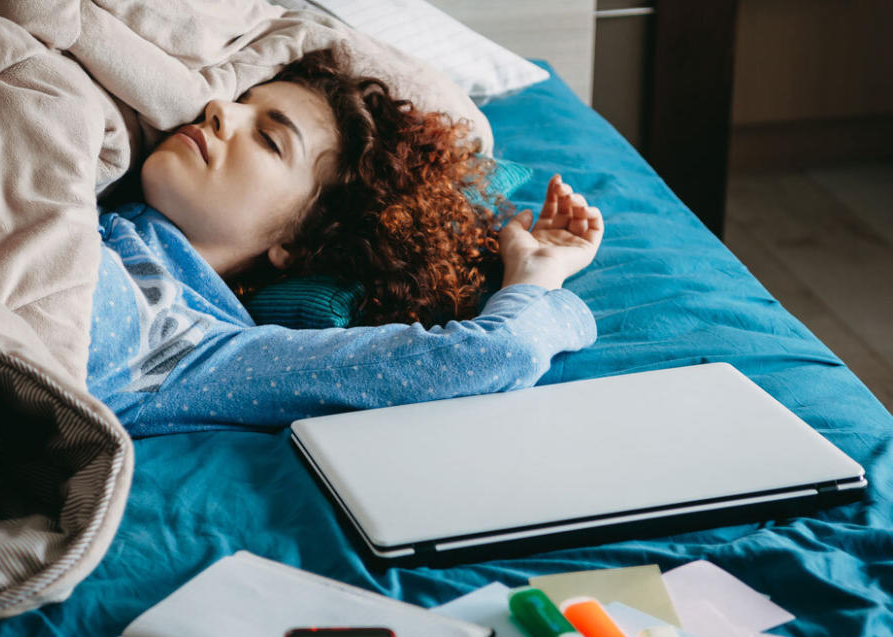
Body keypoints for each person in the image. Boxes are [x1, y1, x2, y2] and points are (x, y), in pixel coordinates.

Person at [89, 49, 603, 437]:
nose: (221, 109)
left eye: (270, 140)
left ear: (296, 242)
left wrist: (535, 275)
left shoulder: (204, 352)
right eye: (242, 101)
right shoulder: (83, 178)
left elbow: (491, 356)